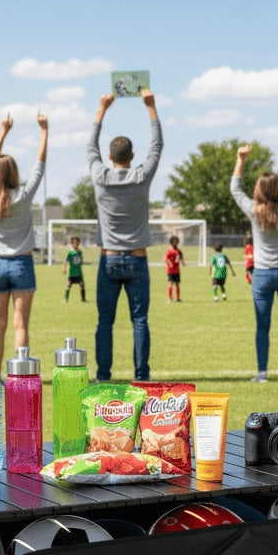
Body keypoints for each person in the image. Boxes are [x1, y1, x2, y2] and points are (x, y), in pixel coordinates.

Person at [88, 89, 162, 381]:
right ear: (132, 157)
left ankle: (103, 375)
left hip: (108, 261)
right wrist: (151, 108)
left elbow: (89, 145)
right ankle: (141, 375)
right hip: (137, 259)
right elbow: (157, 146)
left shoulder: (99, 176)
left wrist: (101, 108)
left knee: (105, 322)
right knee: (139, 321)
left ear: (109, 156)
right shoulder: (142, 176)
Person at [230, 136, 278, 384]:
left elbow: (235, 189)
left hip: (262, 275)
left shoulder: (253, 210)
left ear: (259, 190)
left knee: (263, 327)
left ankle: (262, 373)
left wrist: (240, 160)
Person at [0, 111, 48, 372]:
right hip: (22, 264)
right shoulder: (22, 195)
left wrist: (3, 131)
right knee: (21, 325)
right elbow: (40, 165)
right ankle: (19, 374)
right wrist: (44, 131)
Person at [62, 235, 86, 302]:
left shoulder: (79, 252)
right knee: (68, 285)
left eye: (77, 243)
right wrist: (64, 269)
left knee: (82, 285)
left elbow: (81, 259)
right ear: (72, 243)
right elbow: (66, 260)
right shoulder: (70, 252)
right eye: (74, 243)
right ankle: (66, 299)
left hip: (78, 272)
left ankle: (83, 299)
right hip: (72, 273)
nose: (76, 244)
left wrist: (81, 261)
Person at [165, 234, 184, 302]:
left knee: (177, 284)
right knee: (170, 283)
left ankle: (178, 298)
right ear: (171, 242)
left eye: (176, 241)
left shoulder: (179, 251)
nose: (175, 243)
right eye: (173, 241)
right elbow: (165, 258)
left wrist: (182, 262)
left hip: (177, 270)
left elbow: (181, 257)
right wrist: (170, 263)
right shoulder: (169, 250)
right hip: (170, 270)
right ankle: (169, 298)